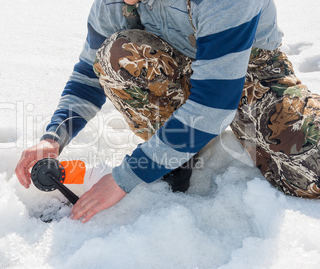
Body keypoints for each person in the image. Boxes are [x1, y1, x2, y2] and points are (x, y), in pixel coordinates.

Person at [16, 0, 320, 223]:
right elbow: (87, 75)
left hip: (251, 73)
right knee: (117, 53)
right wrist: (53, 138)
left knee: (312, 169)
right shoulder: (113, 3)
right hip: (179, 72)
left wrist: (125, 177)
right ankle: (173, 156)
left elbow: (213, 106)